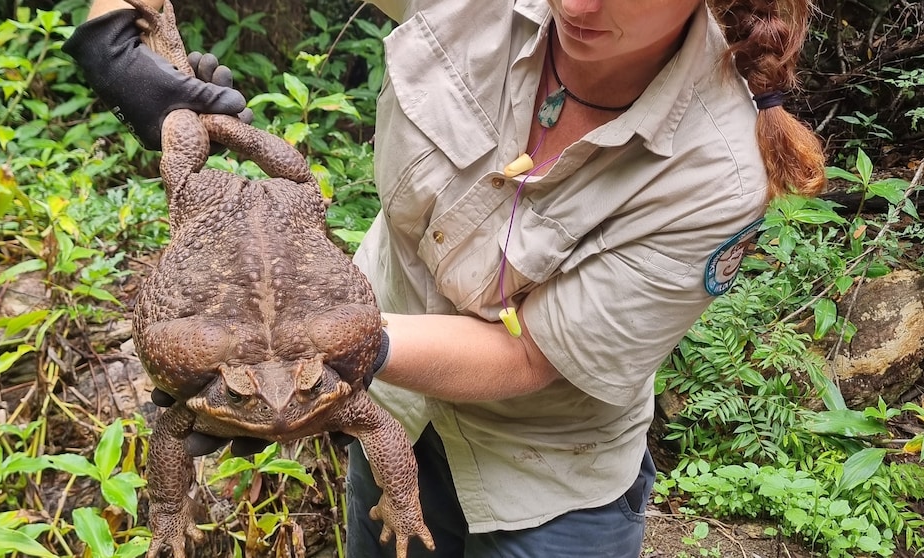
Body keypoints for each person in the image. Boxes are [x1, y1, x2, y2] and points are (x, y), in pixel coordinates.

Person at [65, 0, 825, 557]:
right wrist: (120, 40)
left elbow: (532, 357)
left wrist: (299, 353)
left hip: (541, 482)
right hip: (387, 412)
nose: (579, 5)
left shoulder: (717, 173)